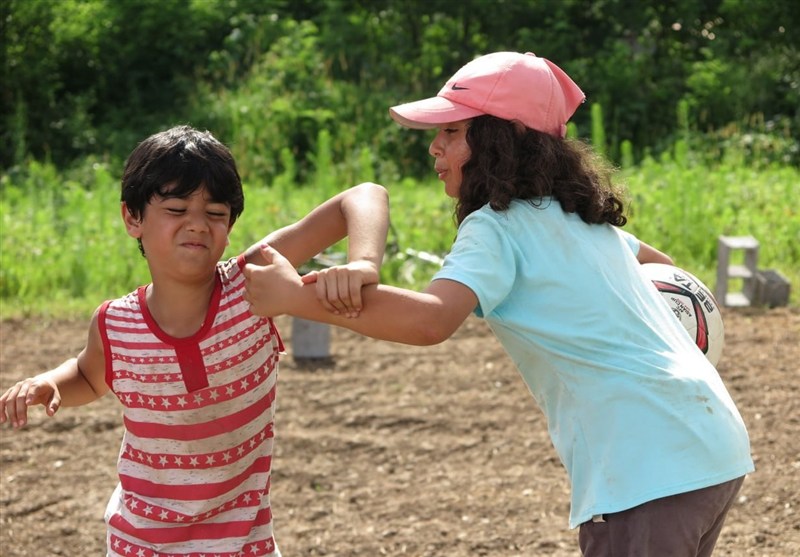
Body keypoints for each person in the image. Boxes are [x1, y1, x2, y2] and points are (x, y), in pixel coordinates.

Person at [242, 52, 755, 556]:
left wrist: (295, 297)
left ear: (499, 141)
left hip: (645, 468)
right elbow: (666, 270)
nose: (434, 149)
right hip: (709, 442)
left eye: (451, 132)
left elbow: (430, 320)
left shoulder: (496, 225)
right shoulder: (583, 218)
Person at [0, 125, 389, 556]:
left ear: (229, 225)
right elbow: (89, 378)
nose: (197, 225)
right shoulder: (114, 324)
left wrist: (363, 264)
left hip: (244, 546)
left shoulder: (251, 287)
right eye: (177, 208)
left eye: (215, 213)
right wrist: (51, 383)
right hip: (139, 545)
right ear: (133, 218)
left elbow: (365, 195)